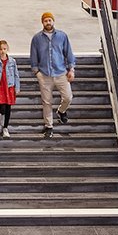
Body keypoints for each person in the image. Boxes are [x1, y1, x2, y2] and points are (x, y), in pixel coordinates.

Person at [30, 11, 76, 139]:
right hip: (44, 75)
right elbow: (33, 58)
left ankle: (61, 111)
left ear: (53, 21)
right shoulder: (36, 38)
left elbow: (69, 54)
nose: (48, 22)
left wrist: (71, 70)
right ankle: (49, 126)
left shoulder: (62, 36)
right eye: (45, 20)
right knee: (47, 102)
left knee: (68, 97)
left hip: (61, 73)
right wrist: (37, 73)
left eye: (50, 20)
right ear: (42, 22)